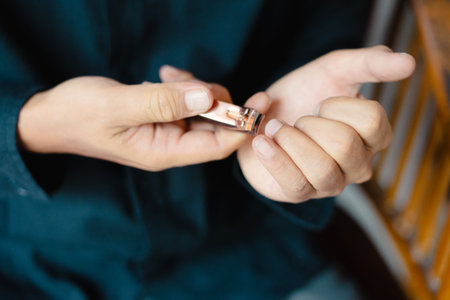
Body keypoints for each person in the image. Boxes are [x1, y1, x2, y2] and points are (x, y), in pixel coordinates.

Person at [0, 1, 415, 299]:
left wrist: (309, 121)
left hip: (247, 250)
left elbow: (324, 16)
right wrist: (34, 124)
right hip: (31, 266)